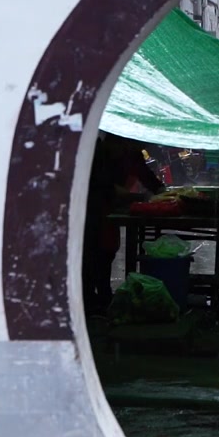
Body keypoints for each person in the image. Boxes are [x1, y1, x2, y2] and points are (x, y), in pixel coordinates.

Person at [81, 133, 166, 317]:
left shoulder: (131, 152)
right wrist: (125, 194)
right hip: (90, 208)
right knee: (91, 254)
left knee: (107, 251)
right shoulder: (98, 150)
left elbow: (145, 175)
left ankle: (102, 298)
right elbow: (99, 184)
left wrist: (161, 191)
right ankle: (90, 301)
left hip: (109, 210)